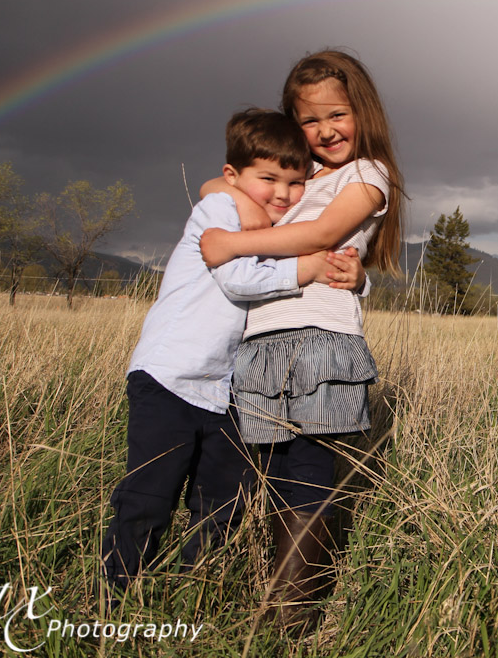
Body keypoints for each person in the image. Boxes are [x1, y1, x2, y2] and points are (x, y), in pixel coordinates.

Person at [101, 107, 365, 602]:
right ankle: (115, 593)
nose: (283, 194)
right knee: (151, 491)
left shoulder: (258, 223)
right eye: (268, 179)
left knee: (222, 498)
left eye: (295, 181)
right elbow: (238, 277)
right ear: (234, 176)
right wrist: (307, 267)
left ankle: (193, 590)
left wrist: (355, 274)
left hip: (220, 391)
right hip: (170, 377)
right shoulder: (218, 213)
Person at [200, 49, 404, 629]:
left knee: (309, 469)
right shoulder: (295, 176)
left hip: (319, 339)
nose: (325, 131)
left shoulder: (367, 174)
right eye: (309, 120)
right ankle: (270, 595)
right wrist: (260, 181)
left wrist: (234, 243)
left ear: (363, 112)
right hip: (261, 339)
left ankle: (289, 618)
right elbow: (221, 181)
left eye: (337, 115)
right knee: (271, 470)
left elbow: (324, 231)